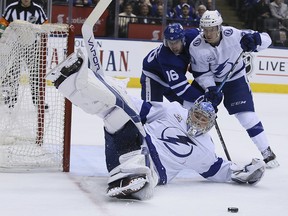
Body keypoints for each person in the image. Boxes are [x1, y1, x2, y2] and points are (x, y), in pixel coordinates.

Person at [45, 49, 266, 200]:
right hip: (128, 148)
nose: (198, 121)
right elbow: (135, 104)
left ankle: (131, 182)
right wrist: (109, 87)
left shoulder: (206, 150)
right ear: (191, 111)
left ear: (210, 125)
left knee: (147, 183)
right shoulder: (173, 111)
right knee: (116, 111)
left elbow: (225, 171)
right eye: (197, 115)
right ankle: (67, 81)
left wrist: (248, 172)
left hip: (150, 171)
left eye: (203, 120)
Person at [188, 10, 279, 168]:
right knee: (192, 111)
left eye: (212, 29)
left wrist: (255, 39)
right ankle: (188, 149)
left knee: (247, 116)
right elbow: (201, 73)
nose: (208, 33)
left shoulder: (234, 34)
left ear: (219, 27)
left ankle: (266, 152)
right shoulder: (196, 46)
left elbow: (267, 39)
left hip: (235, 80)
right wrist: (210, 89)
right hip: (211, 83)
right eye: (205, 29)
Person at [141, 23, 203, 109]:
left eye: (176, 42)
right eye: (171, 42)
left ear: (183, 39)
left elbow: (208, 31)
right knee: (151, 111)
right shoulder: (167, 57)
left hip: (171, 81)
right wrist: (202, 98)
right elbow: (182, 89)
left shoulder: (193, 36)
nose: (173, 46)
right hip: (153, 78)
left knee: (188, 109)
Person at [0, 0, 48, 109]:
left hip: (32, 46)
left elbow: (45, 25)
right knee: (13, 72)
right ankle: (11, 99)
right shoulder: (11, 8)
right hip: (15, 45)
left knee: (36, 73)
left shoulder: (37, 9)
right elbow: (3, 24)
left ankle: (38, 101)